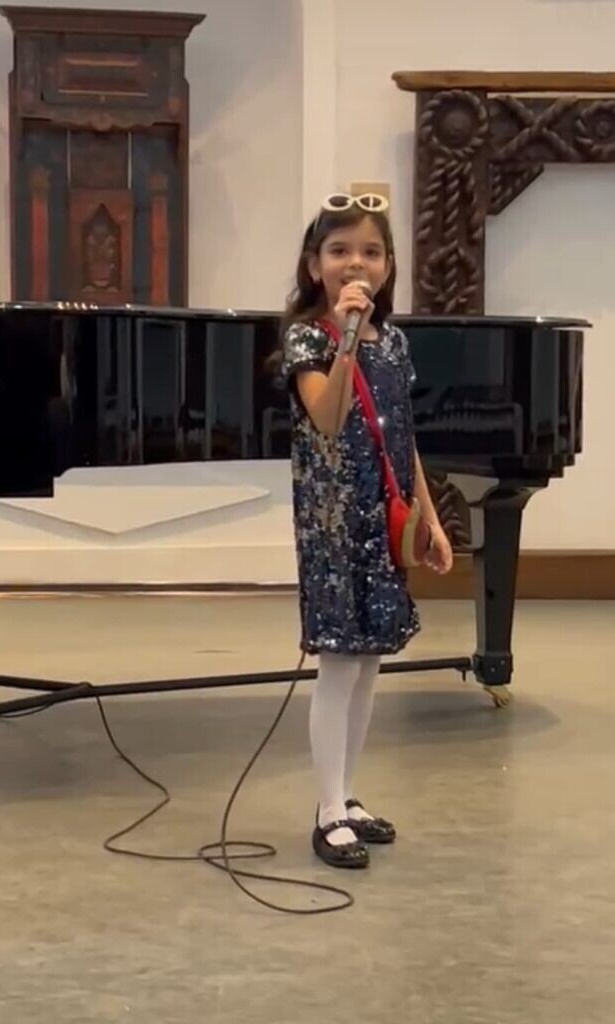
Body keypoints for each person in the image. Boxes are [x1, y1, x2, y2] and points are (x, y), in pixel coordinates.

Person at [281, 193, 453, 870]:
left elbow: (400, 436)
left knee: (370, 663)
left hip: (384, 518)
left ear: (388, 264)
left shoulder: (396, 342)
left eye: (371, 251)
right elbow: (326, 418)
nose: (356, 262)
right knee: (339, 662)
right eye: (339, 250)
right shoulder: (308, 337)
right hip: (334, 522)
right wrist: (347, 333)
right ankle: (327, 811)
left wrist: (429, 515)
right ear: (314, 264)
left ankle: (348, 796)